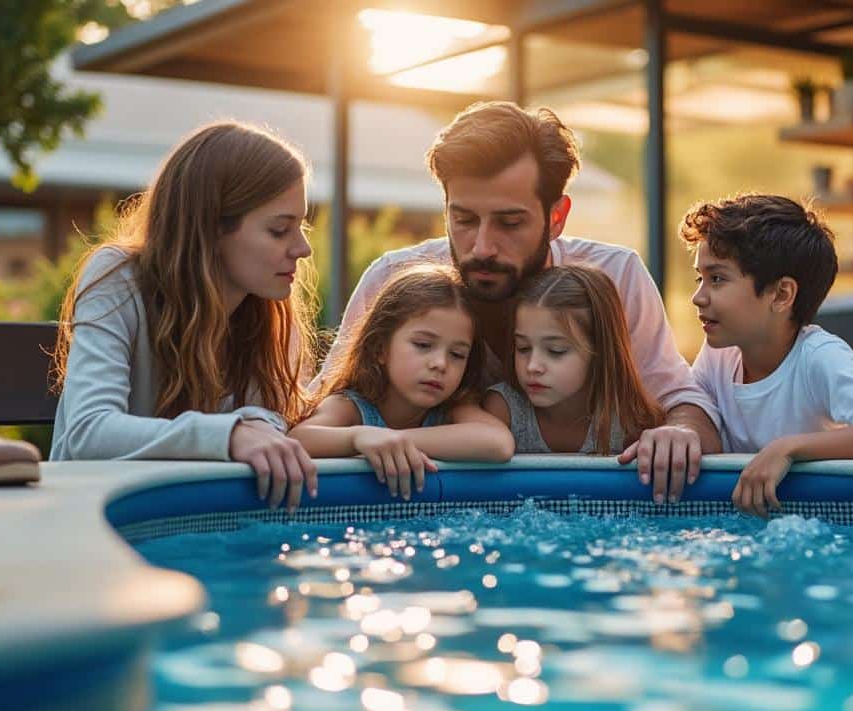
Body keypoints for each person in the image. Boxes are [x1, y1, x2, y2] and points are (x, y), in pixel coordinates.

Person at [322, 101, 720, 504]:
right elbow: (323, 404)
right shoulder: (396, 278)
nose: (482, 247)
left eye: (509, 223)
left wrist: (680, 432)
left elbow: (682, 401)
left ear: (557, 217)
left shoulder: (615, 276)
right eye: (463, 219)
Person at [51, 121, 319, 512]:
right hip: (95, 521)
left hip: (195, 526)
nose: (303, 248)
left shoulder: (268, 313)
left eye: (301, 226)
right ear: (209, 229)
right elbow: (89, 431)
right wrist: (230, 435)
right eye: (280, 230)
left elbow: (280, 426)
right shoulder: (118, 279)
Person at [684, 194, 853, 517]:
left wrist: (790, 448)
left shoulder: (818, 356)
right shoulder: (718, 355)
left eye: (717, 279)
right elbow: (691, 412)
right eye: (700, 278)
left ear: (781, 294)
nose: (697, 297)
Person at [290, 265, 515, 499]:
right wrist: (359, 437)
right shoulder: (351, 406)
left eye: (457, 354)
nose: (440, 363)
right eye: (423, 345)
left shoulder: (452, 409)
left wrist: (394, 441)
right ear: (380, 348)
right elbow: (299, 439)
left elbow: (498, 443)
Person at [483, 265, 664, 455]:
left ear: (599, 351)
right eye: (523, 348)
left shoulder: (631, 421)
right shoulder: (503, 410)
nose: (533, 366)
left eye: (556, 351)